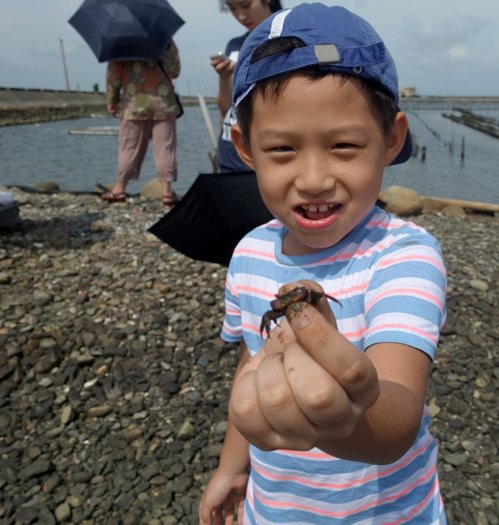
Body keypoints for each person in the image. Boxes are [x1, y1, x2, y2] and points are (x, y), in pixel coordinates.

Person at [199, 4, 447, 524]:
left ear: (392, 140)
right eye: (283, 149)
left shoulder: (403, 254)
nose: (313, 178)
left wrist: (343, 415)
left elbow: (398, 415)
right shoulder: (248, 254)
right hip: (272, 510)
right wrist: (231, 466)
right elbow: (251, 362)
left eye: (344, 146)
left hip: (389, 513)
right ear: (245, 148)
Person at [102, 40, 181, 206]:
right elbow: (175, 71)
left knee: (129, 147)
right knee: (165, 148)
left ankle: (120, 188)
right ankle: (167, 192)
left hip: (134, 103)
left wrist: (111, 99)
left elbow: (114, 76)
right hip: (163, 104)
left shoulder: (121, 43)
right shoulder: (163, 40)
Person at [213, 0, 283, 173]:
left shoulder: (288, 40)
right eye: (232, 8)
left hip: (266, 160)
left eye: (245, 5)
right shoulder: (234, 46)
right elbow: (225, 109)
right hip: (230, 155)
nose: (241, 16)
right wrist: (225, 77)